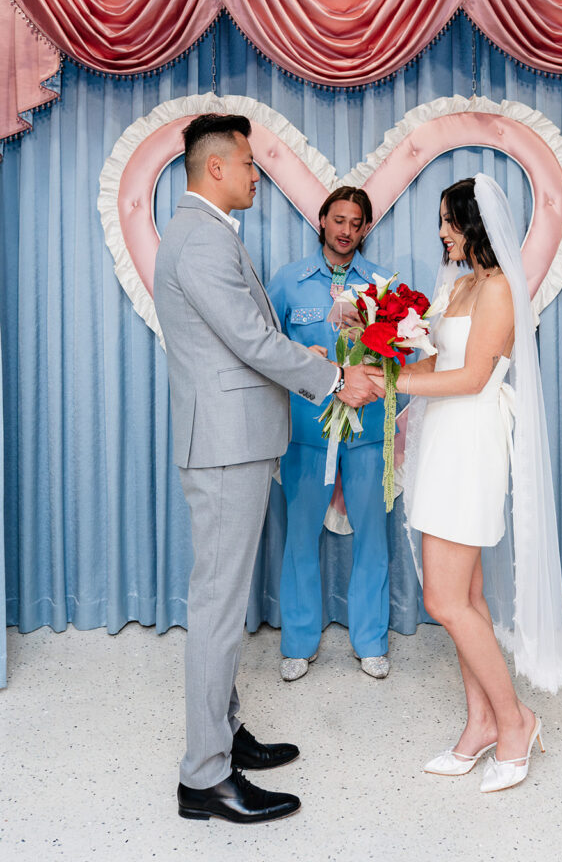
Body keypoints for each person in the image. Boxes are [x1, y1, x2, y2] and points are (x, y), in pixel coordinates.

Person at [153, 114, 378, 824]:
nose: (257, 175)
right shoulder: (198, 239)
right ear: (215, 166)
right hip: (224, 445)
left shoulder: (206, 233)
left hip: (237, 439)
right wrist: (333, 378)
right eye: (249, 164)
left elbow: (251, 341)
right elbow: (252, 340)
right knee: (218, 611)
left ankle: (223, 736)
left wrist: (319, 363)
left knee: (221, 605)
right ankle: (203, 776)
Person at [368, 174, 562, 793]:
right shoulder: (459, 286)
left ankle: (516, 721)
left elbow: (473, 378)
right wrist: (370, 355)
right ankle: (480, 722)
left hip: (471, 442)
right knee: (470, 599)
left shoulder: (501, 290)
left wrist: (389, 387)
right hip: (440, 445)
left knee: (445, 601)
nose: (440, 233)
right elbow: (433, 361)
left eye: (449, 222)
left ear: (475, 226)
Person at [267, 187, 393, 682]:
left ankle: (371, 642)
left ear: (365, 229)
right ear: (322, 220)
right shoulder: (288, 281)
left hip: (366, 432)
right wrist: (306, 363)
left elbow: (402, 352)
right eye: (337, 219)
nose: (345, 230)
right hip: (307, 430)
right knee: (299, 537)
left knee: (373, 538)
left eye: (355, 222)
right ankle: (298, 643)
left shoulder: (382, 285)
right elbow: (265, 346)